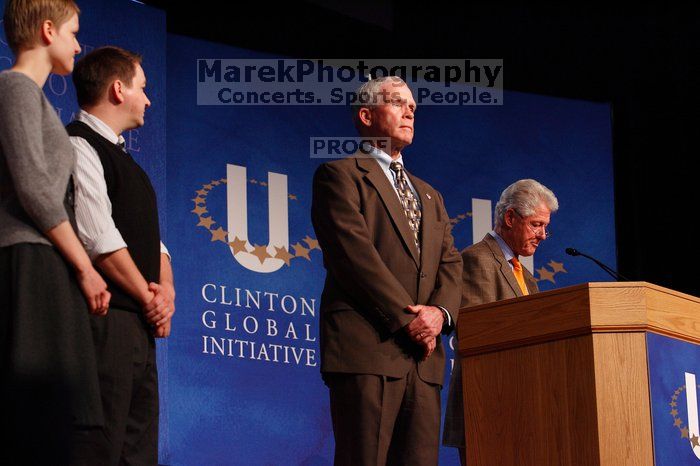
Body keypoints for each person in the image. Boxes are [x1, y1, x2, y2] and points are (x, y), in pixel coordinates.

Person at [311, 76, 463, 466]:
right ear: (366, 115)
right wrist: (406, 319)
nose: (410, 110)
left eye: (412, 105)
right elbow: (353, 257)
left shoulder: (430, 195)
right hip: (369, 348)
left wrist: (439, 315)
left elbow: (450, 263)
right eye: (397, 102)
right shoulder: (340, 175)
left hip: (424, 359)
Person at [0, 1, 110, 464]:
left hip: (50, 263)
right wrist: (86, 267)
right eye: (73, 32)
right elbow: (35, 189)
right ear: (48, 30)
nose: (78, 44)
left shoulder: (36, 97)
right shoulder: (15, 88)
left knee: (61, 424)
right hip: (27, 262)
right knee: (32, 420)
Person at [66, 46, 174, 465]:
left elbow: (155, 242)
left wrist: (166, 291)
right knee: (99, 447)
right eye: (142, 88)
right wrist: (152, 302)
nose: (147, 99)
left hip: (138, 330)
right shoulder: (78, 146)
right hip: (103, 324)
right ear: (117, 89)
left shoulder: (129, 164)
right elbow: (100, 239)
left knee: (137, 453)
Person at [443, 178, 559, 465]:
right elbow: (479, 335)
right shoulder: (477, 260)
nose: (544, 234)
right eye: (537, 224)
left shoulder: (527, 278)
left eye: (545, 226)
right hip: (488, 409)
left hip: (523, 407)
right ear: (510, 217)